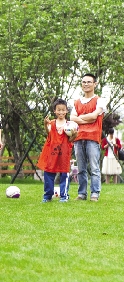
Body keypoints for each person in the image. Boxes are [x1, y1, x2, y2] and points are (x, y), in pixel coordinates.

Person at [70, 73, 106, 201]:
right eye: (84, 82)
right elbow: (72, 118)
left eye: (89, 82)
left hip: (93, 138)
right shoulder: (76, 102)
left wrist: (80, 119)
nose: (86, 84)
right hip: (78, 138)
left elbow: (95, 116)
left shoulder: (100, 100)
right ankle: (82, 194)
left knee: (94, 167)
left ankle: (95, 193)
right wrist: (88, 119)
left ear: (95, 84)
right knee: (81, 168)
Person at [37, 99, 78, 203]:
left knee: (64, 174)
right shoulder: (52, 123)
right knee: (48, 173)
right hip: (51, 153)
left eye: (63, 110)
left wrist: (74, 134)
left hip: (64, 154)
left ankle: (64, 196)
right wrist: (45, 124)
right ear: (54, 111)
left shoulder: (70, 125)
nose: (61, 112)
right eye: (58, 110)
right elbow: (49, 133)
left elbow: (71, 140)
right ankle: (47, 196)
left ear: (66, 111)